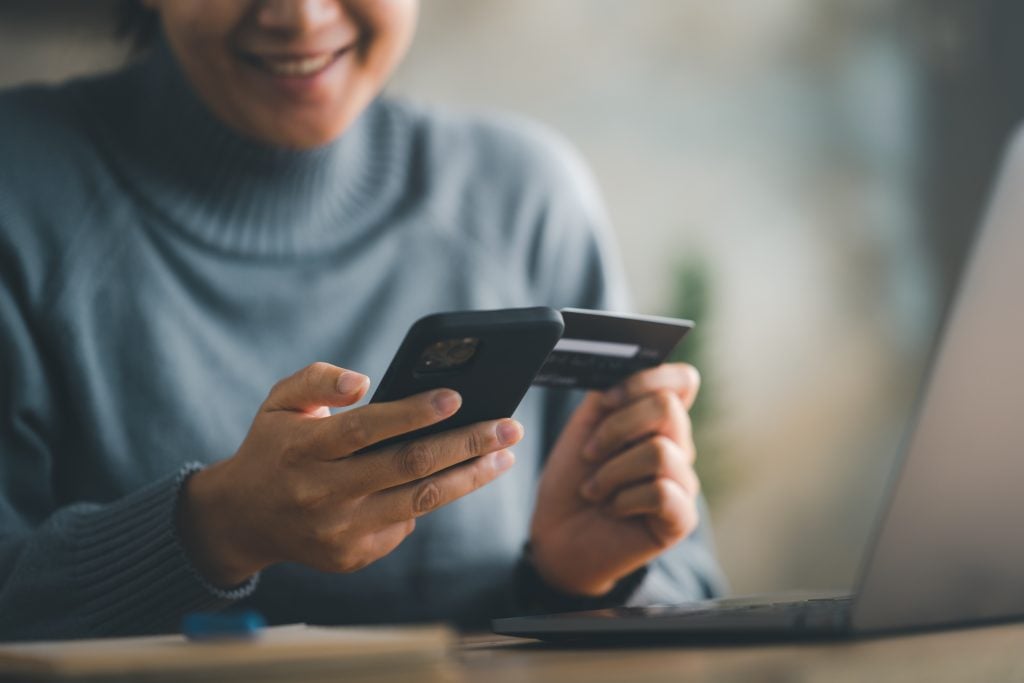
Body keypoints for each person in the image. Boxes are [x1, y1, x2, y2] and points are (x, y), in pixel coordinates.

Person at [0, 0, 725, 640]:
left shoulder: (525, 197)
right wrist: (215, 529)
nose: (300, 15)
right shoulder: (21, 189)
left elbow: (688, 588)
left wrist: (573, 583)